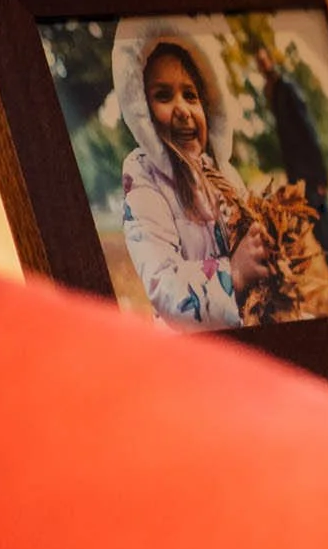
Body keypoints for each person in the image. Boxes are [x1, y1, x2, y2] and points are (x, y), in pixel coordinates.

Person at [114, 24, 269, 330]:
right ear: (141, 110)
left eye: (190, 95)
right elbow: (164, 284)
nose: (182, 109)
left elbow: (246, 237)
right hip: (186, 345)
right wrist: (233, 273)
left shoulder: (223, 175)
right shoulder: (143, 175)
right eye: (163, 95)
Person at [252, 37, 328, 313]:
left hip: (311, 180)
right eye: (258, 61)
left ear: (271, 60)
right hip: (300, 180)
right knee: (316, 238)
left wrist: (320, 178)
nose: (262, 64)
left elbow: (308, 132)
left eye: (264, 59)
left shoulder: (287, 89)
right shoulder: (274, 92)